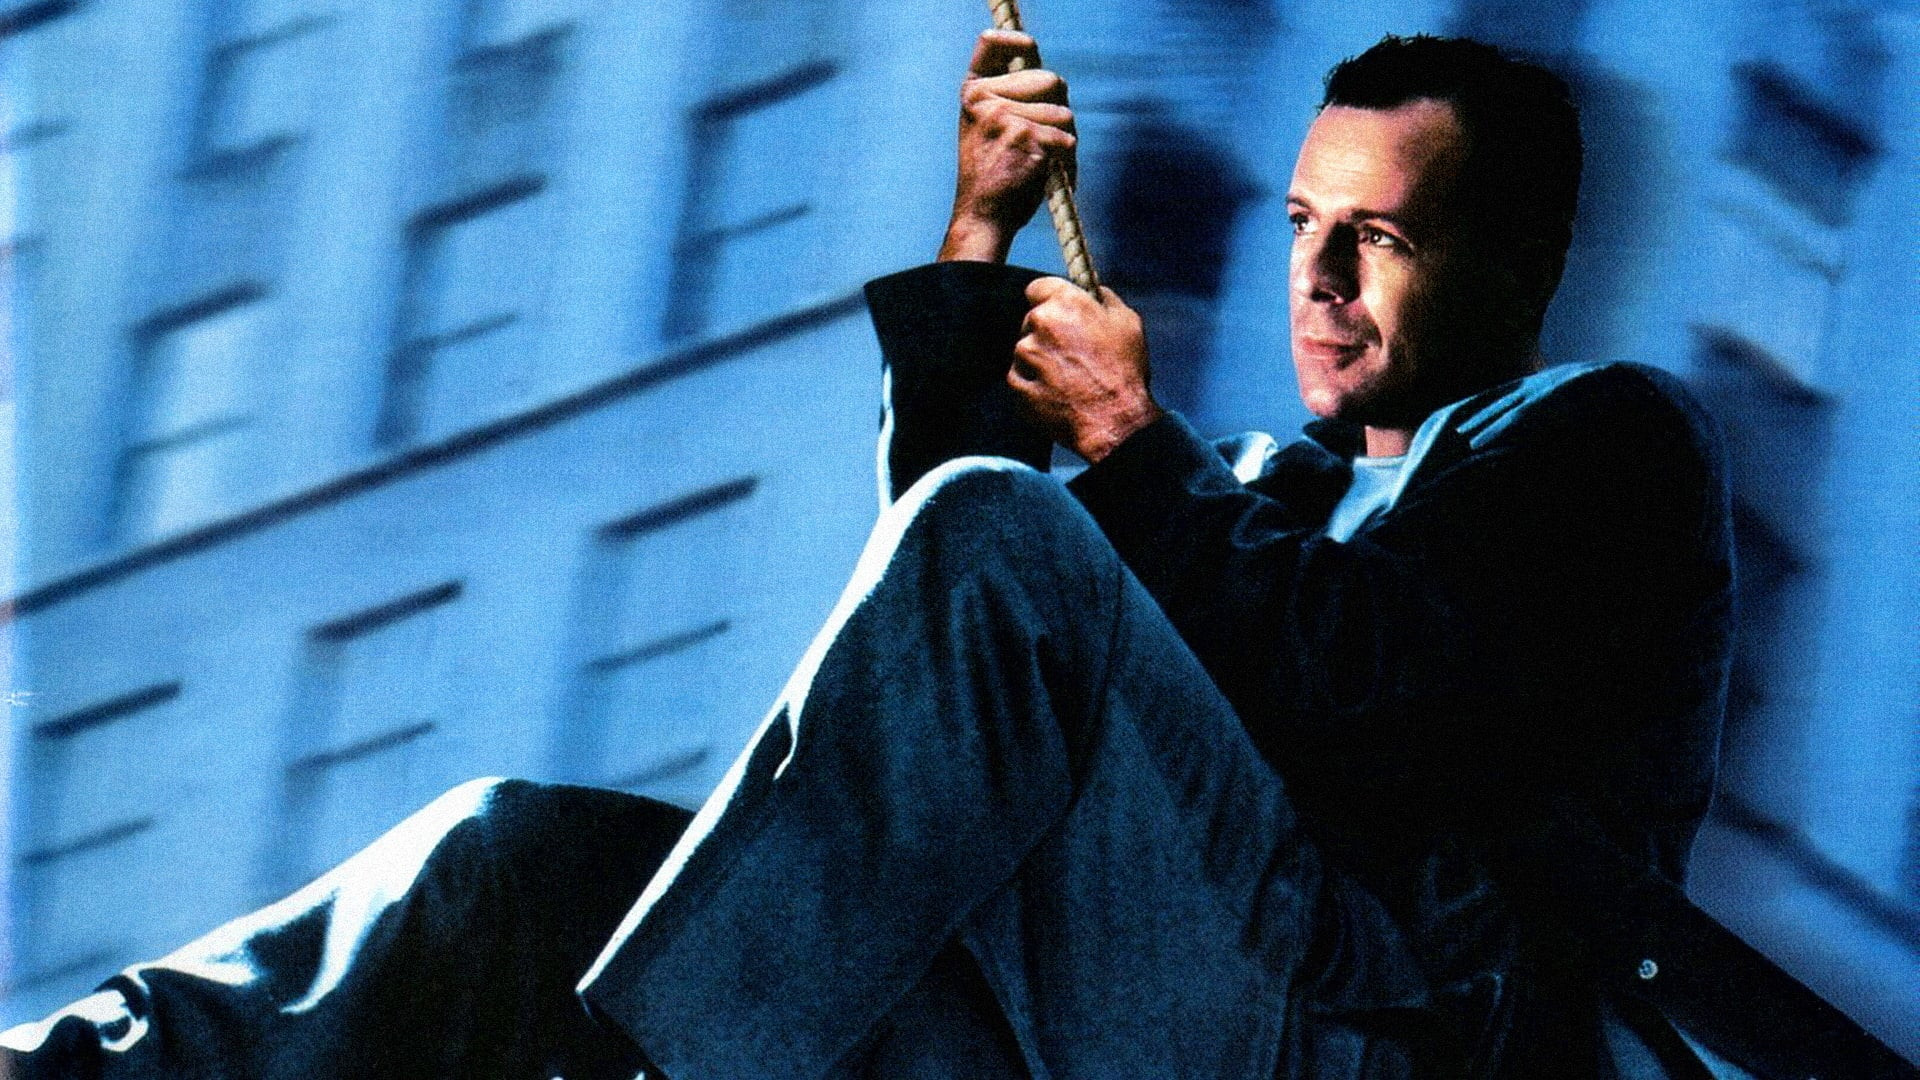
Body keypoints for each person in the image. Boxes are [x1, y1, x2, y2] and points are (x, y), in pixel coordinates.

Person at [4, 32, 1743, 1080]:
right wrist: (981, 235)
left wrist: (1131, 449)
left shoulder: (1602, 445)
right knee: (508, 857)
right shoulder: (1262, 491)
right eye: (1302, 225)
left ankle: (663, 1057)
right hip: (1108, 997)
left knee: (1008, 536)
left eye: (1381, 239)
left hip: (1374, 1034)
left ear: (1516, 267)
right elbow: (950, 631)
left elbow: (1397, 717)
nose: (1318, 281)